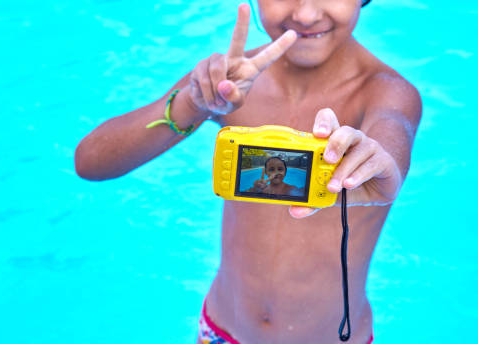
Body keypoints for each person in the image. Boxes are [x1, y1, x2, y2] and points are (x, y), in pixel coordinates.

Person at [74, 0, 422, 342]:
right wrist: (191, 105)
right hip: (222, 333)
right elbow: (90, 162)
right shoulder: (227, 82)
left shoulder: (386, 93)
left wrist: (382, 165)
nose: (305, 13)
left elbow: (391, 136)